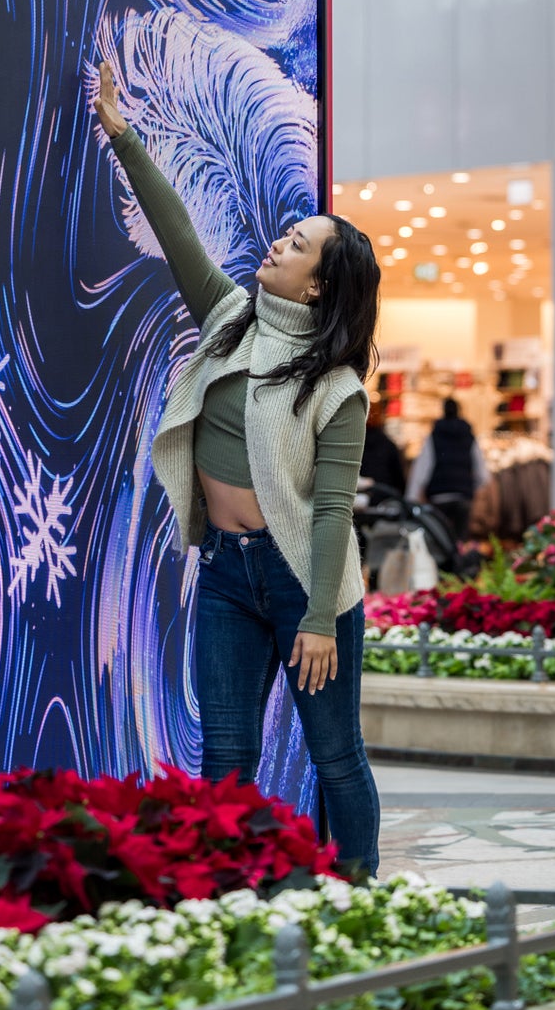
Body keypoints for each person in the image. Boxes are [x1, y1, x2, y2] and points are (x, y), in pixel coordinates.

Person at [93, 59, 381, 878]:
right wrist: (124, 137)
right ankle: (229, 896)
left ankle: (361, 894)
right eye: (287, 233)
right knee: (224, 753)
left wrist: (320, 618)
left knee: (334, 756)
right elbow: (178, 232)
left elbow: (332, 513)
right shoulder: (229, 321)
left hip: (306, 581)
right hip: (226, 572)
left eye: (297, 243)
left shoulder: (336, 387)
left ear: (320, 283)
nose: (278, 242)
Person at [407, 395, 487, 533]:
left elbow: (422, 469)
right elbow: (483, 473)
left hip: (439, 497)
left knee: (441, 541)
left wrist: (411, 500)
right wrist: (472, 488)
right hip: (463, 497)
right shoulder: (468, 436)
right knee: (460, 543)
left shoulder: (434, 436)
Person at [359, 400, 407, 500]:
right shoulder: (388, 445)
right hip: (385, 500)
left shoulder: (355, 444)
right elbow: (399, 479)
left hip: (359, 498)